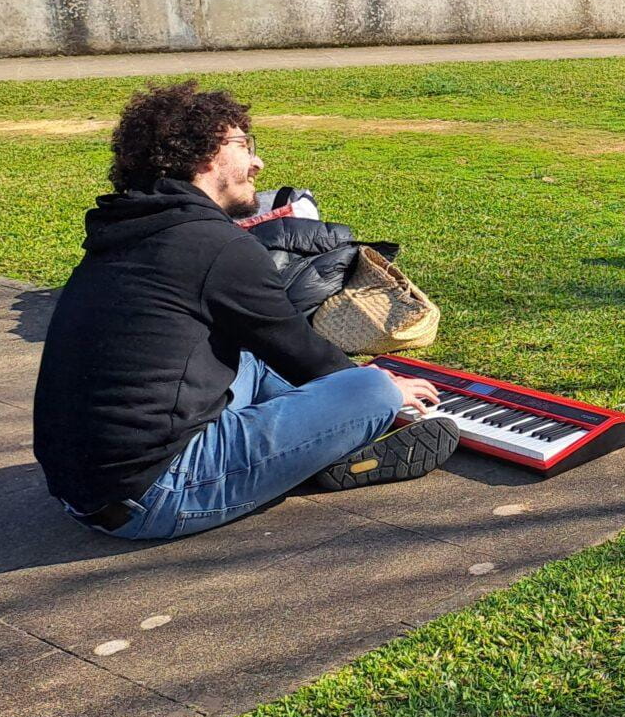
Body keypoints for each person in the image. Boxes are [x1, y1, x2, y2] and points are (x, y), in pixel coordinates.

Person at [33, 81, 454, 542]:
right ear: (205, 153)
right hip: (158, 496)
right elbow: (306, 356)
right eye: (244, 145)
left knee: (250, 359)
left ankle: (318, 444)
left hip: (84, 493)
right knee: (368, 389)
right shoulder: (216, 246)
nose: (258, 162)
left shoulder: (129, 231)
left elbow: (273, 350)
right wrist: (387, 389)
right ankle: (325, 447)